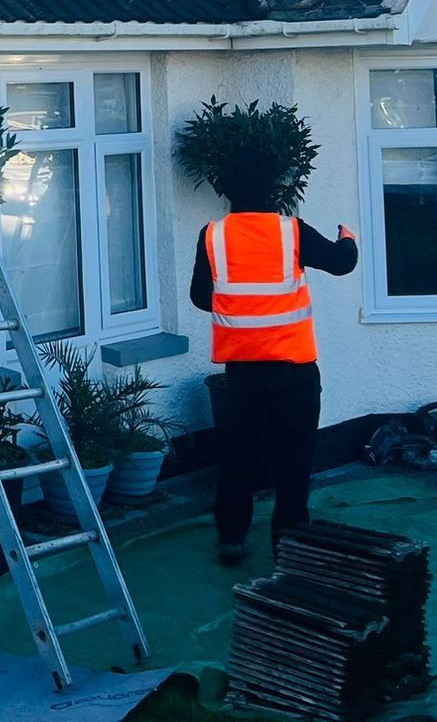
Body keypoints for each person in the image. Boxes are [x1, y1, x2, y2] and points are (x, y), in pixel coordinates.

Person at [188, 142, 357, 563]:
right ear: (275, 189)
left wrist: (238, 307)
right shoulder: (292, 231)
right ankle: (289, 545)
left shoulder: (212, 235)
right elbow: (341, 264)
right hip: (295, 369)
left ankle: (232, 538)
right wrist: (347, 237)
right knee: (294, 458)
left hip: (242, 373)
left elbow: (198, 296)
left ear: (227, 190)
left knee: (238, 455)